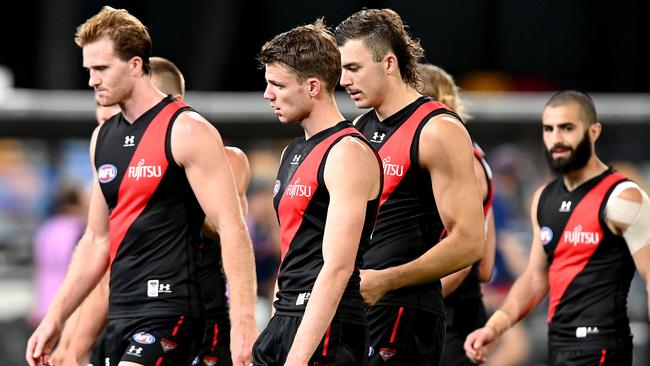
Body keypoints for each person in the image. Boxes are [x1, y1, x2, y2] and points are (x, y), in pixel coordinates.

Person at [25, 7, 258, 366]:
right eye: (89, 70)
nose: (92, 81)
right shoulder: (102, 137)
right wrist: (54, 318)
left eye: (101, 69)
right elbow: (96, 240)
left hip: (172, 311)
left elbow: (232, 228)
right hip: (121, 313)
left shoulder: (186, 129)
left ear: (135, 65)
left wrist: (244, 324)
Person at [334, 9, 485, 365]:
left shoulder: (437, 129)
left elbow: (470, 242)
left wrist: (387, 280)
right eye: (341, 70)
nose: (343, 81)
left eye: (353, 68)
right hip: (358, 306)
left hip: (406, 310)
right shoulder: (360, 125)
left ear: (388, 63)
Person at [464, 90, 650, 366]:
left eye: (567, 128)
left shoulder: (622, 197)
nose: (556, 139)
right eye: (548, 129)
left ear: (593, 132)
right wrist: (496, 326)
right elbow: (536, 278)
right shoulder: (544, 198)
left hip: (603, 349)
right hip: (559, 347)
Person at [254, 19, 383, 365]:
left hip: (328, 327)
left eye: (277, 85)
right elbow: (292, 251)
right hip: (286, 318)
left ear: (313, 87)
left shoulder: (347, 153)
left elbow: (338, 267)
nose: (268, 95)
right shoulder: (292, 151)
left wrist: (296, 358)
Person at [417, 63, 497, 366]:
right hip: (450, 303)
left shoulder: (463, 163)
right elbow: (486, 267)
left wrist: (414, 302)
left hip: (447, 310)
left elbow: (464, 252)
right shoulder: (471, 159)